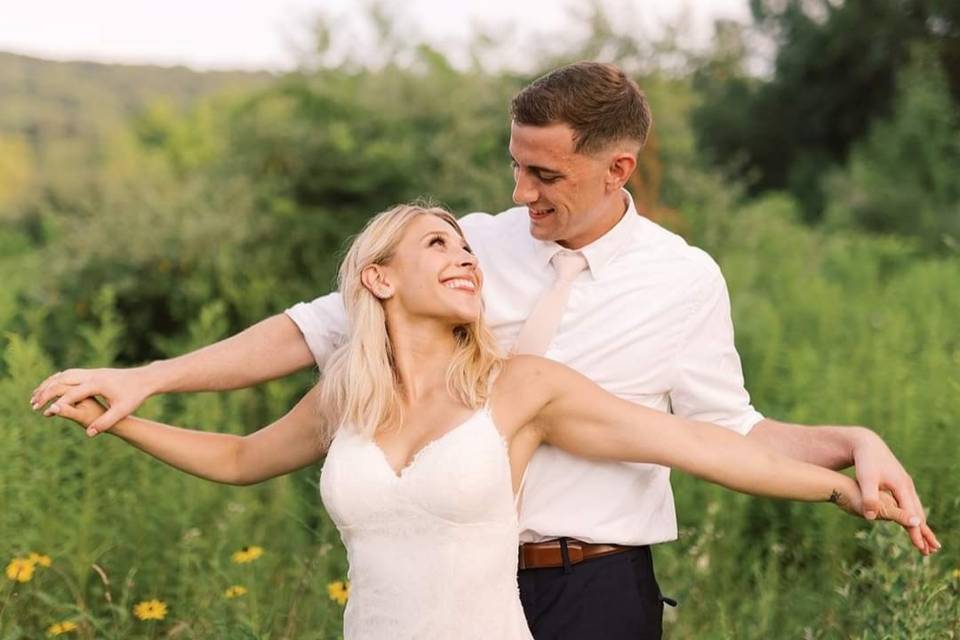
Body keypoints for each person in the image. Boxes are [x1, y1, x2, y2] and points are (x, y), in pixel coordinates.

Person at [31, 63, 938, 639]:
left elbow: (722, 430)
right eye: (515, 164)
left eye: (544, 174)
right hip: (435, 579)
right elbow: (307, 332)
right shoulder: (469, 247)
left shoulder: (684, 279)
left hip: (593, 586)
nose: (519, 192)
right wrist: (148, 378)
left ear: (616, 170)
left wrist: (844, 450)